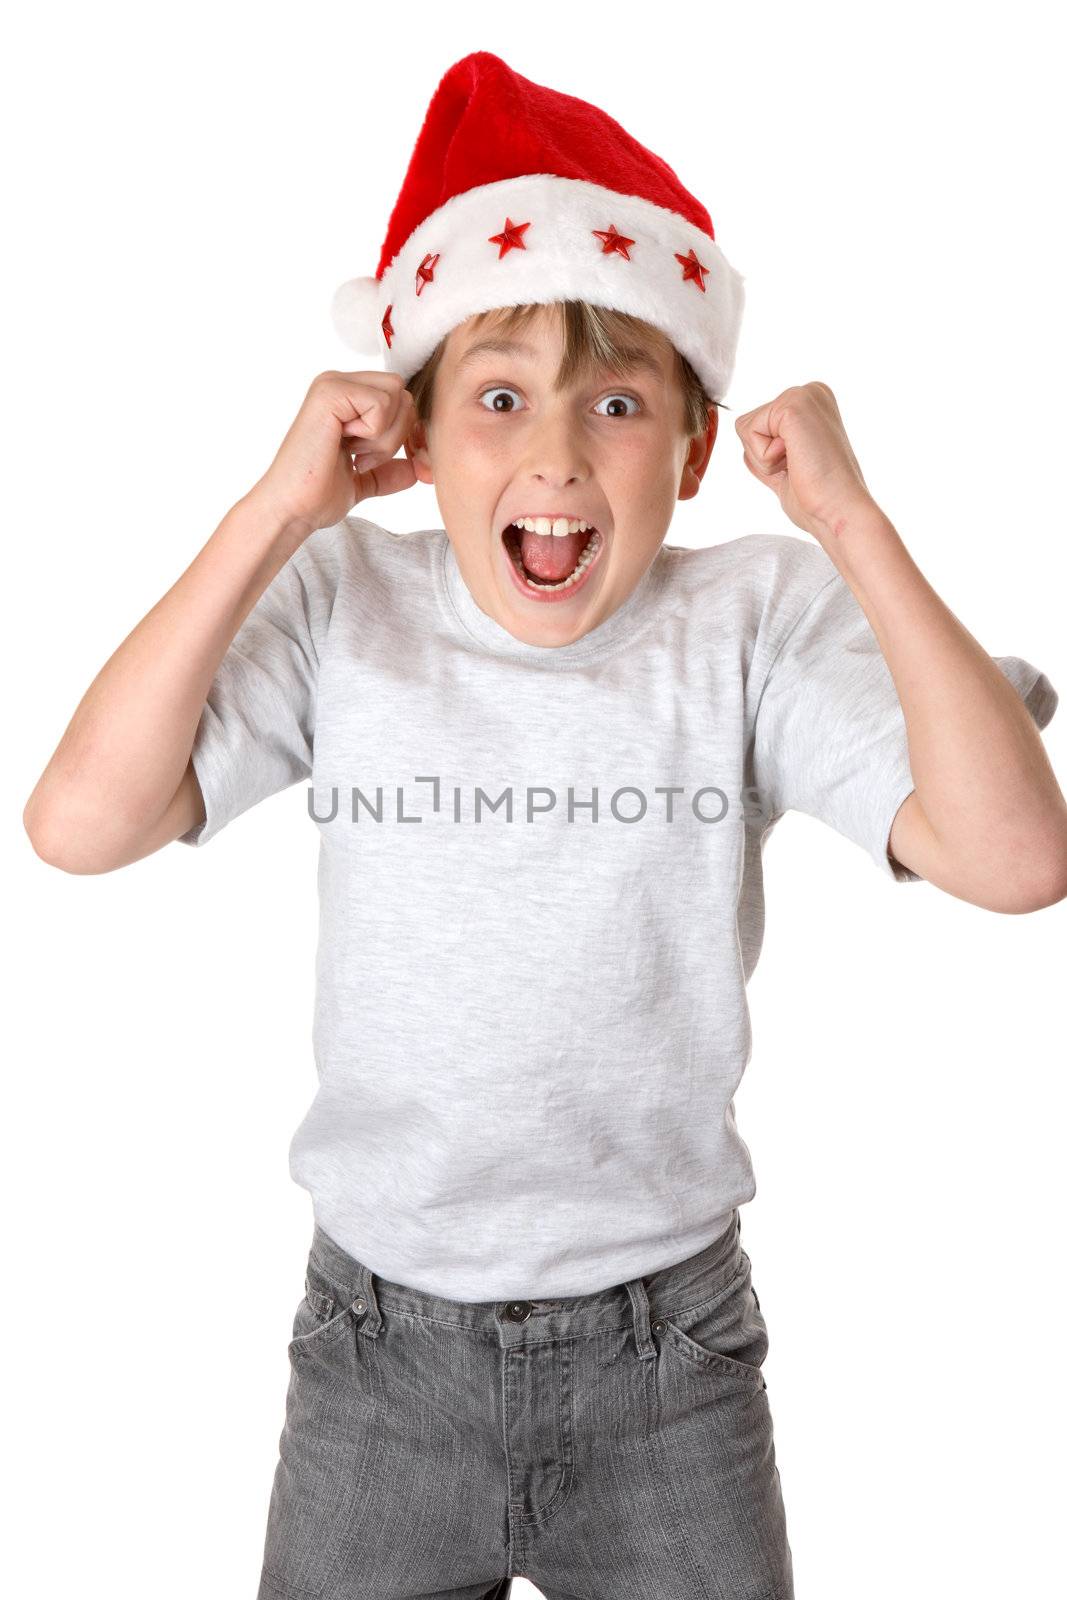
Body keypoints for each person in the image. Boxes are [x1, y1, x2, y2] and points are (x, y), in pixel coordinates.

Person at [22, 50, 1065, 1600]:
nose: (560, 457)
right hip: (377, 1361)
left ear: (696, 450)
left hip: (670, 1364)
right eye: (498, 399)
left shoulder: (751, 623)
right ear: (416, 441)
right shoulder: (339, 600)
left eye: (620, 403)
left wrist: (851, 519)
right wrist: (273, 514)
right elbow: (77, 824)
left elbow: (1019, 858)